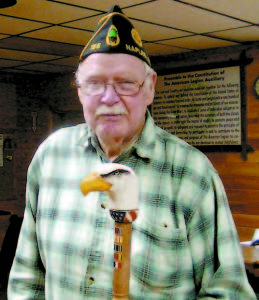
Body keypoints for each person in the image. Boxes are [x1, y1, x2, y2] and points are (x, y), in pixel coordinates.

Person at [8, 5, 256, 300]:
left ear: (149, 88)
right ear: (78, 90)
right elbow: (27, 277)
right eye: (95, 83)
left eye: (126, 84)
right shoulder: (51, 158)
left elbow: (229, 293)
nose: (109, 98)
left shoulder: (191, 172)